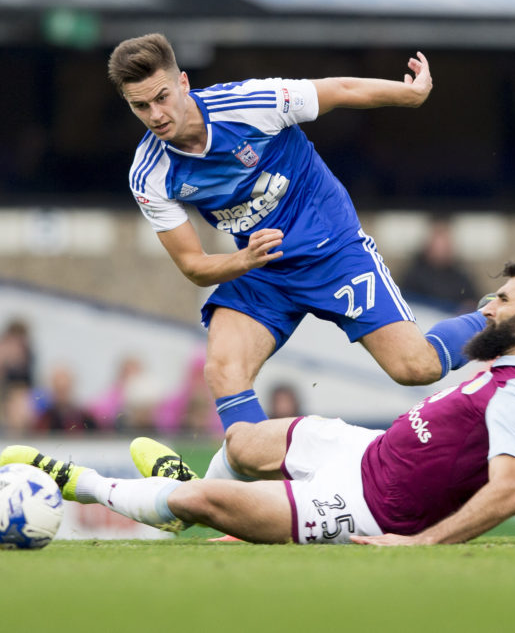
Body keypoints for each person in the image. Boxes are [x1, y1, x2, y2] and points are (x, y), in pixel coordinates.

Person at [1, 258, 515, 546]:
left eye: (502, 299)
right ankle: (188, 500)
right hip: (363, 451)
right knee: (242, 441)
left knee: (206, 500)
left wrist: (419, 545)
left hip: (363, 506)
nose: (488, 306)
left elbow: (509, 493)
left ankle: (74, 481)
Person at [109, 33, 489, 442]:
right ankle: (265, 482)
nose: (156, 114)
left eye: (162, 97)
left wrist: (409, 95)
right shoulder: (149, 173)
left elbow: (340, 89)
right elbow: (194, 266)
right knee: (223, 371)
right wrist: (245, 262)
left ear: (183, 82)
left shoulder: (248, 104)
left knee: (417, 368)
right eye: (140, 106)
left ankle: (494, 316)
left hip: (333, 251)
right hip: (261, 267)